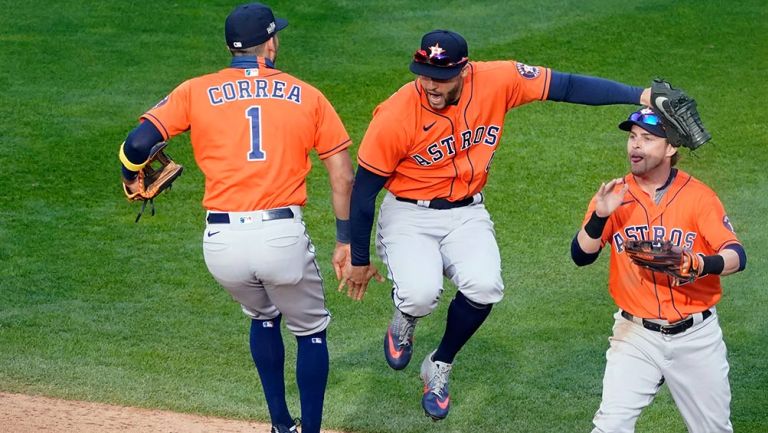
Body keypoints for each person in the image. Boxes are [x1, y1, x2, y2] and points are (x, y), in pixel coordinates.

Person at [339, 29, 656, 421]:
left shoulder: (498, 79)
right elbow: (363, 192)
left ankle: (439, 364)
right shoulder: (396, 115)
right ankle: (405, 316)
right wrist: (357, 256)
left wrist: (639, 95)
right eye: (423, 74)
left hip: (466, 210)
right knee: (421, 294)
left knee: (486, 287)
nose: (430, 86)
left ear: (464, 71)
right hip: (410, 213)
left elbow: (567, 86)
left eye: (441, 78)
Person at [118, 3, 354, 433]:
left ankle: (280, 425)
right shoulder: (308, 94)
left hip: (222, 244)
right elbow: (342, 174)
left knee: (264, 317)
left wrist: (128, 171)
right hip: (280, 235)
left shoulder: (194, 90)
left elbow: (136, 146)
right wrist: (346, 240)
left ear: (232, 48)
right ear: (269, 43)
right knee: (311, 330)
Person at [571, 107, 747, 433]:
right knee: (609, 427)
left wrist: (700, 264)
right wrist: (600, 216)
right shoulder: (615, 195)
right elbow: (581, 255)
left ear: (670, 148)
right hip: (635, 335)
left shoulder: (700, 197)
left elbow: (737, 255)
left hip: (696, 337)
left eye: (647, 139)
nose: (635, 146)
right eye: (632, 137)